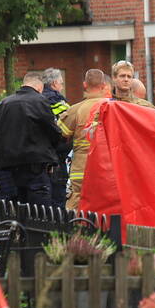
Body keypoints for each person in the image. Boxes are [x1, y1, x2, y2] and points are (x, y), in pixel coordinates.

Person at [0, 71, 67, 208]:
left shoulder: (1, 104)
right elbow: (53, 132)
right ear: (40, 87)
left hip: (9, 168)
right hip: (36, 166)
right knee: (40, 213)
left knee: (18, 210)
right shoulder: (40, 101)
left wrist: (5, 146)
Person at [59, 69, 112, 210]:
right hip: (107, 168)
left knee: (76, 205)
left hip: (81, 169)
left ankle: (77, 231)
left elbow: (61, 133)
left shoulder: (76, 110)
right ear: (103, 86)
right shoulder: (115, 108)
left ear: (84, 85)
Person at [42, 68, 71, 208]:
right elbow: (69, 124)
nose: (62, 86)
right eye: (61, 83)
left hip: (40, 156)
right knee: (58, 199)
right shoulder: (58, 101)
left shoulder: (38, 98)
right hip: (57, 156)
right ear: (54, 83)